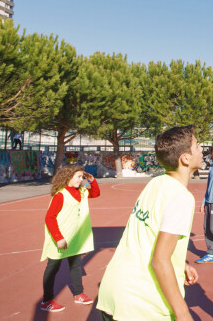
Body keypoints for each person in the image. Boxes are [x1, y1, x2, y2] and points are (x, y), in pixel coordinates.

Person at [97, 125, 202, 321]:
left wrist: (180, 266)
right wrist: (183, 312)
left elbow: (149, 234)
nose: (201, 150)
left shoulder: (155, 183)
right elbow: (160, 260)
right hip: (141, 305)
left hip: (114, 291)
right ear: (185, 158)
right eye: (197, 146)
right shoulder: (181, 197)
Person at [39, 164, 101, 313]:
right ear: (68, 177)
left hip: (75, 238)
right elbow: (49, 217)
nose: (81, 180)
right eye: (78, 177)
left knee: (76, 266)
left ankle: (78, 294)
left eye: (82, 177)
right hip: (60, 239)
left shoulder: (81, 191)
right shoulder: (60, 195)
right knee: (52, 268)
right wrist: (58, 237)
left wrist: (92, 181)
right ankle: (46, 300)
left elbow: (96, 193)